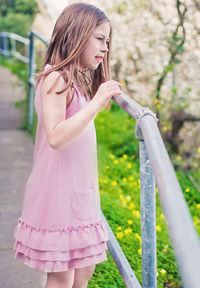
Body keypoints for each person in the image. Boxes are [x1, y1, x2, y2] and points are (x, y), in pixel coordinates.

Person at [13, 2, 122, 288]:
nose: (105, 48)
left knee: (84, 270)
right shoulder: (55, 78)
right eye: (99, 39)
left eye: (107, 41)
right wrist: (98, 102)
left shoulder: (76, 80)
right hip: (57, 194)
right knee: (63, 277)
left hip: (78, 193)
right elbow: (56, 136)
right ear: (75, 35)